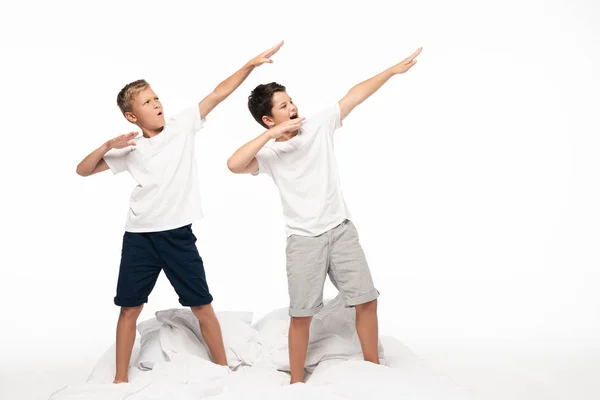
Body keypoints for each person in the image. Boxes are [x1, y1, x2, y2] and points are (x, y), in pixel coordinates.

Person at [75, 41, 284, 383]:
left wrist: (250, 65)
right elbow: (83, 170)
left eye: (156, 97)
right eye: (147, 102)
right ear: (132, 116)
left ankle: (222, 368)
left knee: (201, 304)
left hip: (177, 235)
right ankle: (119, 379)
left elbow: (218, 94)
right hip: (139, 237)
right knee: (129, 307)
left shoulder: (181, 125)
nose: (156, 104)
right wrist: (106, 146)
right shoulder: (130, 148)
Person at [226, 47, 422, 384]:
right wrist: (269, 136)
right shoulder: (270, 153)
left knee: (367, 300)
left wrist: (390, 71)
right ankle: (296, 381)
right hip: (304, 242)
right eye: (284, 106)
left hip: (341, 231)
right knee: (302, 315)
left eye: (291, 101)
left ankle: (373, 369)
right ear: (268, 119)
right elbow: (233, 164)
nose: (293, 107)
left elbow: (353, 95)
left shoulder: (318, 125)